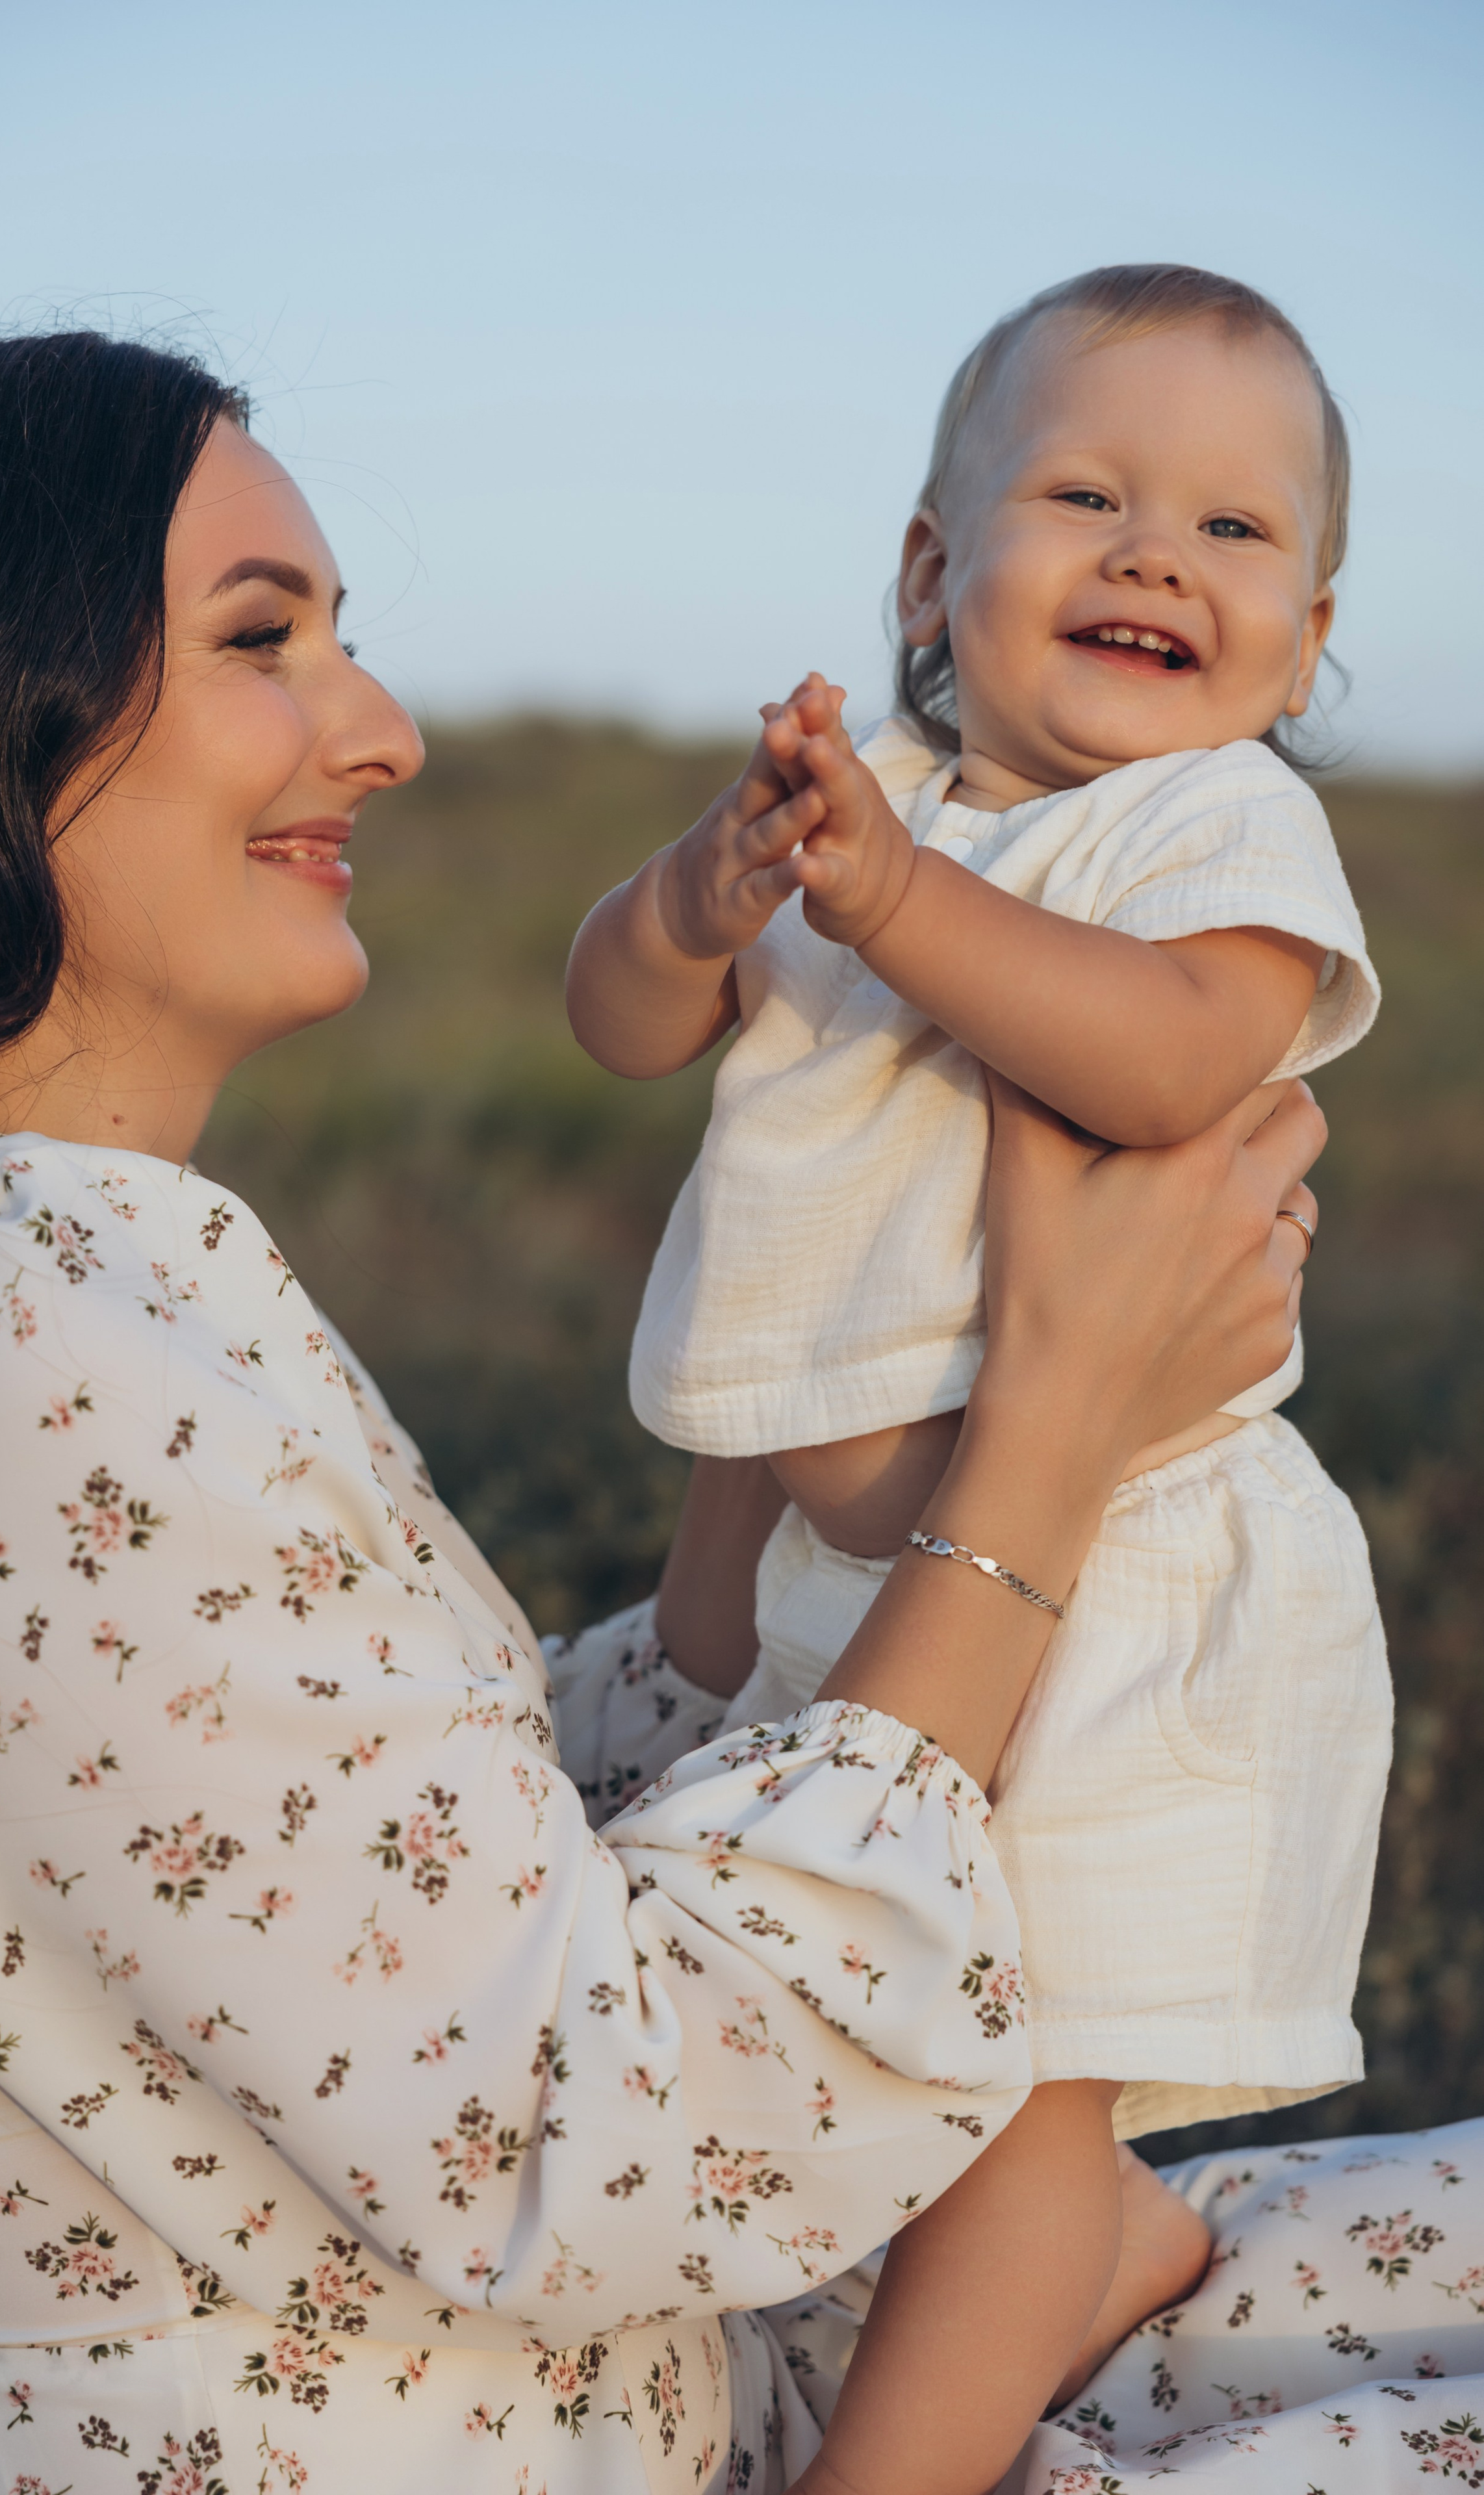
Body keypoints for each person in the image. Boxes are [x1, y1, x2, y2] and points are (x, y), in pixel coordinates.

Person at [0, 328, 1427, 2495]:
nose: (378, 735)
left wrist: (772, 1429)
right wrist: (1054, 1430)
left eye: (346, 641)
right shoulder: (19, 1343)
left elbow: (384, 1879)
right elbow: (598, 2137)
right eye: (261, 638)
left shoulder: (33, 1278)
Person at [565, 264, 1395, 2482]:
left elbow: (1175, 1057)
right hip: (905, 1568)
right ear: (936, 571)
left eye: (1236, 532)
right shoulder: (873, 812)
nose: (1153, 555)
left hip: (1125, 1568)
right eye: (1087, 492)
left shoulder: (1210, 833)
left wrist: (903, 904)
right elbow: (621, 1029)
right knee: (866, 2037)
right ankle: (1099, 2257)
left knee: (1014, 2071)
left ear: (1305, 642)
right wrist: (695, 898)